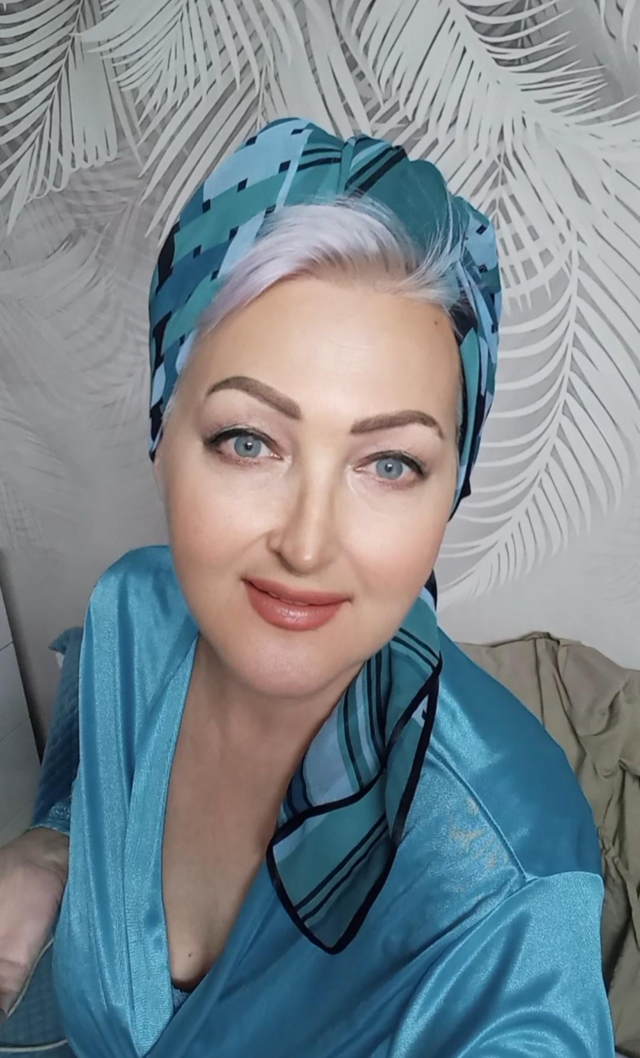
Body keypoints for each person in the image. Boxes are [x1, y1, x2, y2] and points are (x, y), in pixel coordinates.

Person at [0, 116, 615, 1057]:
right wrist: (55, 848)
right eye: (249, 441)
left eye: (390, 464)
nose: (307, 542)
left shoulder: (506, 888)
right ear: (163, 437)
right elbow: (90, 774)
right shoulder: (133, 615)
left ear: (451, 488)